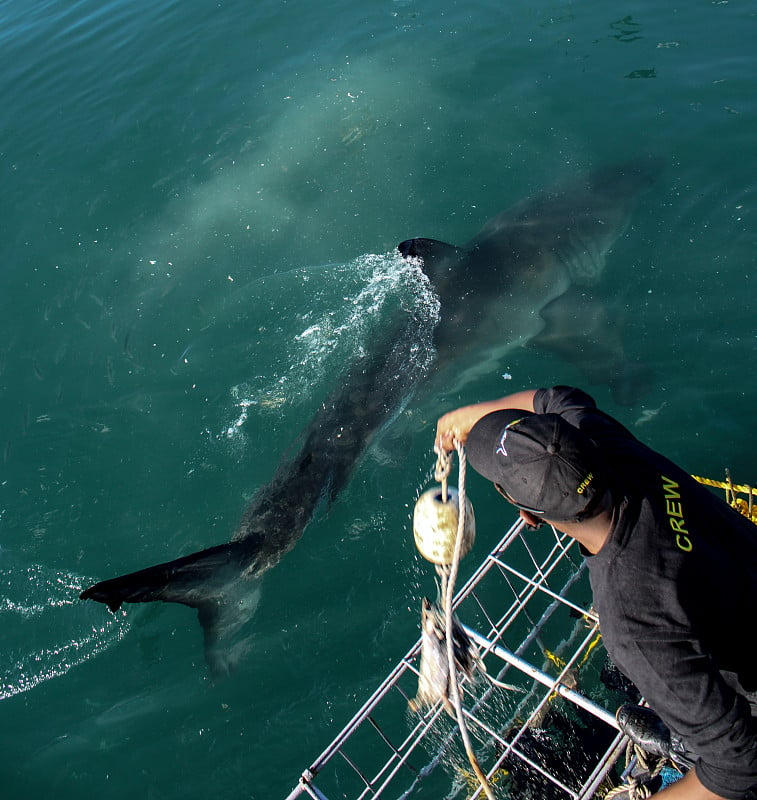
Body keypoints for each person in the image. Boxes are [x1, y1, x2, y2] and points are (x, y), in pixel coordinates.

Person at [434, 385, 757, 800]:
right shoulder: (610, 445)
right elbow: (554, 397)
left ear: (527, 513)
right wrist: (475, 414)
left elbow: (740, 764)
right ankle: (689, 732)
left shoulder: (630, 619)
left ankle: (686, 751)